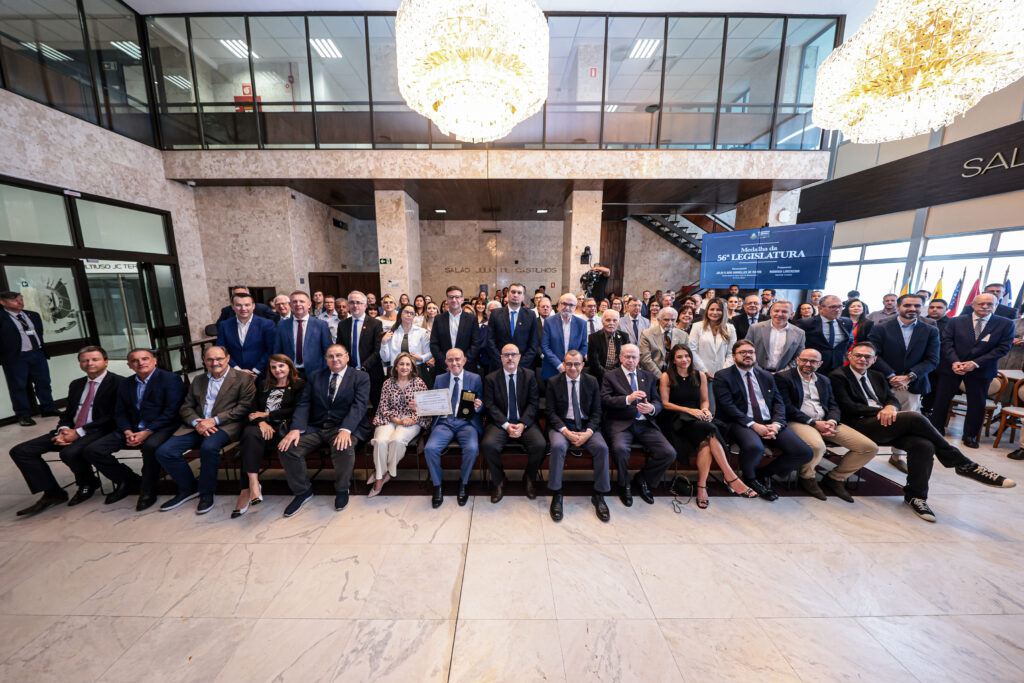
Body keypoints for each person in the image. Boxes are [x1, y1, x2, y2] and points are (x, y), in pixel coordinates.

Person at [831, 341, 1014, 522]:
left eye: (867, 356)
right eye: (858, 355)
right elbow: (848, 407)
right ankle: (963, 464)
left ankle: (916, 496)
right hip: (858, 425)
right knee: (915, 417)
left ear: (874, 359)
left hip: (885, 423)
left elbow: (891, 399)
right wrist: (883, 411)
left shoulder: (877, 376)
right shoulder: (838, 376)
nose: (862, 359)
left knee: (923, 445)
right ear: (850, 356)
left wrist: (890, 408)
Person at [8, 346, 121, 516]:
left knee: (69, 452)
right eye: (85, 360)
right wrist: (64, 429)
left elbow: (113, 417)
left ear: (106, 362)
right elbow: (68, 413)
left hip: (99, 430)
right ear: (80, 364)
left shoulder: (120, 383)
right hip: (71, 430)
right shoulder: (76, 384)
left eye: (95, 359)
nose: (89, 363)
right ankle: (53, 493)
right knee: (21, 451)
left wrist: (79, 433)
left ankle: (87, 483)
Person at [155, 345, 255, 514]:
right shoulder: (198, 380)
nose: (214, 362)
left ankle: (206, 493)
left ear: (228, 358)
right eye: (210, 359)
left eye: (219, 359)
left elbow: (243, 408)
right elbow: (186, 406)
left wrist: (214, 421)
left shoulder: (243, 379)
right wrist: (196, 422)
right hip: (196, 425)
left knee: (208, 448)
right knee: (164, 451)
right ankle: (189, 488)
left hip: (226, 424)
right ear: (204, 361)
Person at [82, 347, 185, 511]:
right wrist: (127, 431)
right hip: (132, 428)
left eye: (145, 359)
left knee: (150, 447)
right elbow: (120, 412)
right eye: (135, 361)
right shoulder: (125, 383)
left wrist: (147, 432)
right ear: (129, 365)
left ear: (155, 360)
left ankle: (148, 490)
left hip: (161, 427)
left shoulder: (170, 379)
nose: (140, 363)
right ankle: (128, 480)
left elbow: (172, 411)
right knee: (93, 450)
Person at [712, 340, 813, 501]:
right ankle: (750, 478)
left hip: (769, 422)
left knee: (804, 452)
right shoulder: (723, 376)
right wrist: (754, 425)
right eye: (742, 352)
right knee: (754, 447)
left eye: (751, 352)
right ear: (734, 356)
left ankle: (764, 474)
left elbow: (779, 402)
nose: (747, 355)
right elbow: (727, 407)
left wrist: (777, 424)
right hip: (739, 422)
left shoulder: (766, 376)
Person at [658, 345, 756, 508]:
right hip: (676, 418)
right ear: (673, 360)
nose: (684, 360)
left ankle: (702, 487)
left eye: (687, 356)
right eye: (680, 357)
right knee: (710, 431)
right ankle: (731, 477)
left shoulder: (700, 375)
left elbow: (704, 400)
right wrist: (690, 410)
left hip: (697, 417)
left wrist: (705, 410)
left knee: (706, 441)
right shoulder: (667, 376)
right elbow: (665, 404)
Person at [278, 344, 370, 517]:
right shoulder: (316, 376)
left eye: (338, 355)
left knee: (343, 446)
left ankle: (342, 489)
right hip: (317, 426)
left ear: (347, 357)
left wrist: (346, 429)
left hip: (344, 426)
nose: (335, 359)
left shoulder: (360, 377)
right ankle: (303, 491)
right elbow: (304, 403)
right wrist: (296, 428)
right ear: (326, 359)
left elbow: (359, 406)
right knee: (287, 447)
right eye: (330, 356)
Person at [775, 349, 879, 502]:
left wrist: (831, 421)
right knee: (818, 446)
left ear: (820, 364)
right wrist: (814, 423)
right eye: (804, 360)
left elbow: (833, 405)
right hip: (799, 421)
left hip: (826, 422)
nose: (808, 364)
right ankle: (807, 477)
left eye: (813, 362)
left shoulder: (824, 380)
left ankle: (835, 478)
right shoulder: (784, 378)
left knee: (868, 447)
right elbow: (786, 407)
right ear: (798, 360)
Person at [929, 293, 1015, 447]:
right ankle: (936, 429)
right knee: (941, 399)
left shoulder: (1006, 324)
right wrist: (955, 362)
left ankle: (970, 435)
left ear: (996, 306)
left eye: (990, 304)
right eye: (981, 304)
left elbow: (1002, 348)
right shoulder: (956, 321)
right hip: (952, 368)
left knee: (977, 404)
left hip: (981, 370)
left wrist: (974, 363)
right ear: (973, 305)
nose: (985, 307)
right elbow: (946, 342)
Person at [867, 294, 940, 472]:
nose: (912, 309)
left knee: (907, 419)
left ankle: (897, 456)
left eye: (917, 306)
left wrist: (909, 377)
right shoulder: (881, 328)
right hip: (882, 381)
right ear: (899, 307)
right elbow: (873, 355)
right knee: (874, 417)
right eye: (907, 305)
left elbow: (932, 360)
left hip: (912, 384)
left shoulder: (930, 330)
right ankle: (865, 451)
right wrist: (892, 375)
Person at [601, 343, 675, 506]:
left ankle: (643, 479)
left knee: (669, 453)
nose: (630, 360)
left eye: (634, 357)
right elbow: (605, 400)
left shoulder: (647, 376)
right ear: (620, 358)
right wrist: (628, 399)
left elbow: (657, 401)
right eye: (627, 356)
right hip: (621, 424)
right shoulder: (610, 376)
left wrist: (652, 408)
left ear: (639, 359)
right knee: (620, 449)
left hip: (645, 423)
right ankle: (623, 484)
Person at [232, 354, 304, 518]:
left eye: (281, 366)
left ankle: (248, 488)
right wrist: (262, 422)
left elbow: (297, 409)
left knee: (248, 440)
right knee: (250, 433)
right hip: (263, 428)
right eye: (273, 367)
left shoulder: (299, 384)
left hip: (283, 428)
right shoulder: (264, 384)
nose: (277, 370)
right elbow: (252, 409)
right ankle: (253, 483)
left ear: (289, 366)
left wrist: (267, 415)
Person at [545, 350, 611, 521]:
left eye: (576, 364)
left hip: (587, 426)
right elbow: (550, 413)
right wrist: (565, 431)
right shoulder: (553, 382)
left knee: (602, 448)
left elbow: (597, 412)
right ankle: (557, 494)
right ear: (564, 364)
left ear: (582, 365)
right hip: (562, 425)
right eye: (569, 364)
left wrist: (588, 433)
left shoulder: (592, 381)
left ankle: (599, 495)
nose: (572, 368)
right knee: (558, 446)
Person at [481, 343, 546, 503]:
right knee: (488, 445)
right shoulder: (490, 378)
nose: (510, 358)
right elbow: (490, 405)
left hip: (525, 422)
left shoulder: (530, 376)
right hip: (500, 423)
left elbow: (533, 403)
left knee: (540, 444)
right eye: (506, 355)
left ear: (519, 357)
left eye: (513, 354)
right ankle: (499, 479)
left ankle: (529, 478)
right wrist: (506, 425)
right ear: (501, 358)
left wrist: (523, 424)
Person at [422, 348, 483, 508]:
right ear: (446, 363)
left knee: (472, 448)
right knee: (430, 449)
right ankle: (438, 485)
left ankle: (464, 482)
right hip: (445, 423)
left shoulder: (475, 378)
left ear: (464, 361)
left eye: (457, 359)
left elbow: (482, 404)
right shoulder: (439, 379)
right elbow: (433, 403)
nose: (454, 363)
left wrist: (479, 406)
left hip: (466, 423)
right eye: (450, 360)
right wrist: (421, 405)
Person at [368, 352, 430, 497]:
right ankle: (380, 476)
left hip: (411, 420)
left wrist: (413, 418)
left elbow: (426, 406)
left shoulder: (419, 383)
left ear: (412, 367)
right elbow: (383, 407)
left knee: (396, 440)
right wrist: (397, 420)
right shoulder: (387, 383)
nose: (404, 367)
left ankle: (386, 472)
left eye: (408, 364)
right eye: (401, 364)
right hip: (389, 419)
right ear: (396, 367)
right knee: (380, 441)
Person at [1, 290, 57, 426]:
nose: (20, 303)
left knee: (43, 382)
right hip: (17, 357)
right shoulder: (2, 317)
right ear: (2, 302)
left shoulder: (32, 315)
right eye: (15, 301)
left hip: (37, 353)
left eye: (21, 300)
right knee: (18, 387)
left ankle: (48, 408)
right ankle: (24, 415)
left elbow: (39, 334)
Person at [337, 290, 385, 404]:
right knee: (354, 404)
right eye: (352, 302)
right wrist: (348, 367)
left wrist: (363, 367)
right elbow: (340, 349)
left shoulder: (375, 324)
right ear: (348, 305)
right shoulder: (343, 324)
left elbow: (377, 350)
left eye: (358, 302)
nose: (355, 305)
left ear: (365, 305)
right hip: (349, 371)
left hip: (371, 371)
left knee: (375, 402)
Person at [217, 291, 276, 378]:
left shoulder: (267, 324)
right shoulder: (224, 325)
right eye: (238, 305)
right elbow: (221, 350)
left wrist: (256, 370)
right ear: (232, 307)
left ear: (253, 306)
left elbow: (271, 349)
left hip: (261, 374)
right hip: (234, 374)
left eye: (247, 305)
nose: (243, 308)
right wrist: (236, 369)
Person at [273, 291, 332, 378]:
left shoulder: (321, 325)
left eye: (302, 301)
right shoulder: (282, 325)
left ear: (309, 304)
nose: (298, 304)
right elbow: (277, 350)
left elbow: (328, 351)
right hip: (290, 373)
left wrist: (324, 370)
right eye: (294, 302)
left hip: (316, 373)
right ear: (290, 304)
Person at [485, 282, 539, 370]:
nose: (515, 295)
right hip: (499, 366)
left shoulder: (531, 315)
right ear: (507, 294)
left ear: (523, 296)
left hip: (523, 367)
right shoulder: (495, 314)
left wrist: (520, 363)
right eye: (513, 292)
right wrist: (502, 361)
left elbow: (534, 343)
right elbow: (490, 341)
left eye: (519, 293)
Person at [795, 295, 855, 374]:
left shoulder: (847, 322)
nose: (837, 310)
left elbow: (849, 341)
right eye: (833, 307)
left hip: (837, 366)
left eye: (840, 306)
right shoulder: (806, 323)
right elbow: (797, 346)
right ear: (820, 309)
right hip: (813, 368)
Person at [430, 285, 482, 374]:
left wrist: (461, 363)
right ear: (447, 300)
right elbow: (434, 344)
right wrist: (446, 364)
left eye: (457, 297)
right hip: (444, 369)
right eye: (451, 297)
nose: (454, 300)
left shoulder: (471, 319)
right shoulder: (438, 319)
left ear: (462, 299)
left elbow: (476, 344)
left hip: (466, 368)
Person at [745, 300, 805, 372]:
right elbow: (747, 351)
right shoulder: (755, 328)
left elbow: (799, 357)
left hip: (784, 375)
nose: (779, 314)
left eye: (784, 312)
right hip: (756, 372)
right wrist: (760, 371)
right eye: (776, 311)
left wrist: (783, 372)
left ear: (792, 314)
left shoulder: (799, 333)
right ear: (770, 312)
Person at [540, 293, 589, 381]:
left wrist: (572, 364)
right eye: (564, 304)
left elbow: (584, 346)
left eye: (571, 305)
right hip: (552, 369)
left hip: (574, 370)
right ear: (559, 305)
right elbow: (545, 347)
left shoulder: (582, 324)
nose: (567, 307)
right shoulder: (549, 322)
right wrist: (559, 365)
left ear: (575, 307)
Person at [687, 298, 735, 379]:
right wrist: (704, 370)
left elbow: (731, 353)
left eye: (718, 310)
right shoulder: (697, 326)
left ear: (724, 312)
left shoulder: (730, 328)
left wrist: (722, 372)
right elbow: (692, 350)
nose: (715, 312)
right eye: (712, 309)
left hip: (723, 374)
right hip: (700, 372)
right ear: (707, 311)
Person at [380, 304, 431, 376]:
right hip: (396, 371)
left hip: (416, 369)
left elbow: (430, 352)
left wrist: (421, 358)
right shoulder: (392, 332)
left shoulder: (421, 332)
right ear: (400, 314)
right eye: (406, 312)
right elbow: (386, 359)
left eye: (412, 313)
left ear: (414, 316)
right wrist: (384, 343)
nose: (409, 315)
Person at [639, 306, 688, 379]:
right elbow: (646, 360)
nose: (670, 323)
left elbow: (686, 358)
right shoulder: (647, 334)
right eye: (666, 320)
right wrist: (662, 378)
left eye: (673, 320)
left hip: (676, 375)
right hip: (653, 376)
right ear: (659, 320)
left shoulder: (683, 335)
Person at [587, 309, 629, 384]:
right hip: (599, 377)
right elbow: (594, 362)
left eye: (614, 320)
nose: (611, 323)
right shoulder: (593, 338)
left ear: (618, 322)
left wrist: (619, 374)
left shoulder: (624, 337)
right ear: (602, 321)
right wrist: (608, 375)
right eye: (608, 320)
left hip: (620, 376)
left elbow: (626, 358)